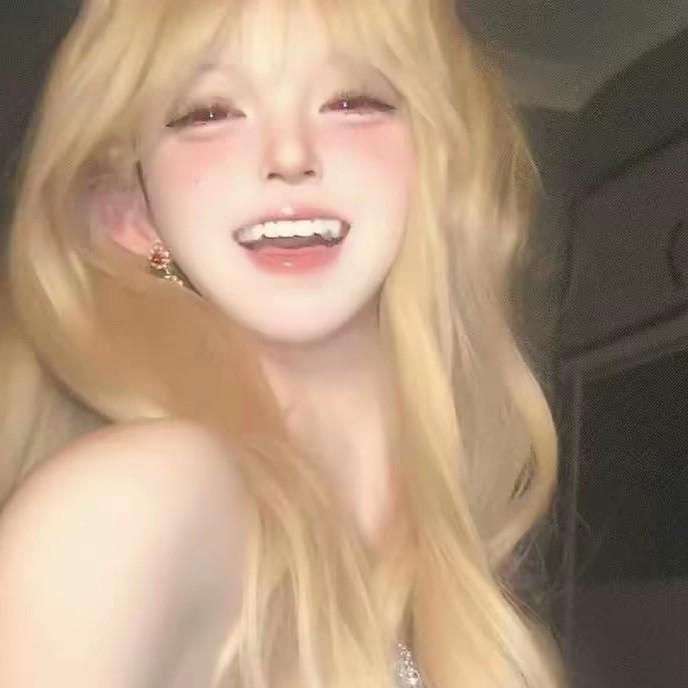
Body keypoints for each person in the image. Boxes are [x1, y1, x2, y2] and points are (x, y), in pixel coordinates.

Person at [0, 0, 563, 686]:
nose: (289, 156)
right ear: (131, 209)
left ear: (439, 166)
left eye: (352, 101)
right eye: (209, 112)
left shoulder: (441, 561)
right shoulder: (132, 507)